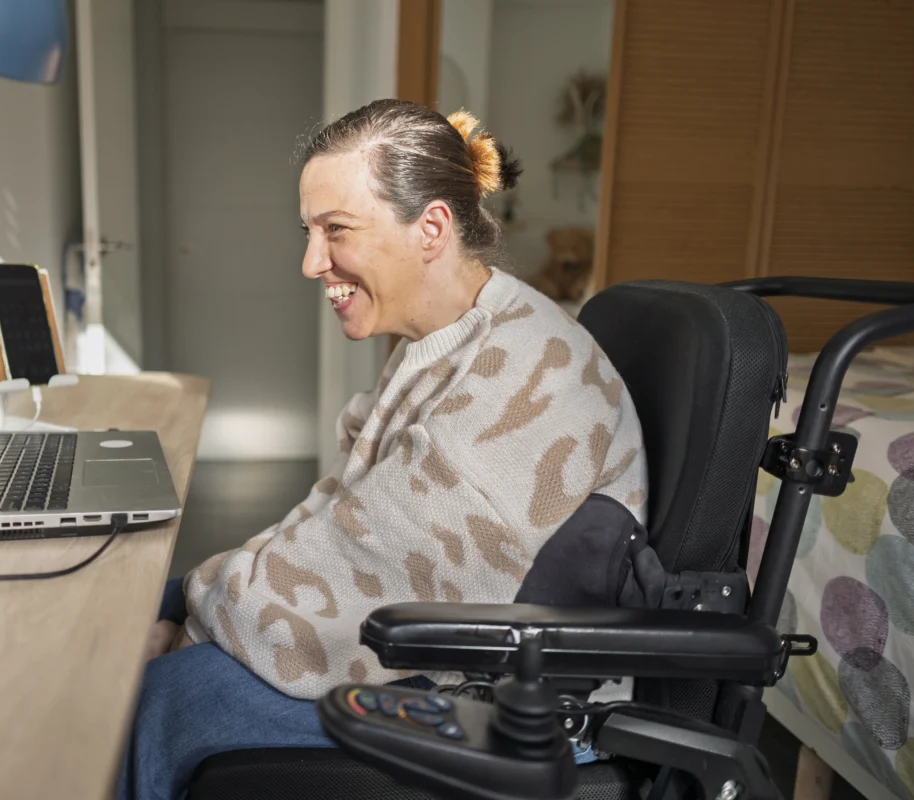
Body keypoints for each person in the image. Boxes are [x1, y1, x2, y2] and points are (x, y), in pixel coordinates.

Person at [118, 99, 648, 800]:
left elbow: (369, 561)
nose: (312, 262)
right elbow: (340, 512)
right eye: (309, 232)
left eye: (336, 230)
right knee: (145, 602)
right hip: (419, 616)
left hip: (493, 693)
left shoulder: (524, 375)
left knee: (156, 698)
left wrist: (192, 631)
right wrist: (198, 602)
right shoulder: (448, 336)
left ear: (431, 228)